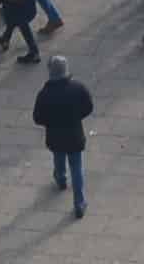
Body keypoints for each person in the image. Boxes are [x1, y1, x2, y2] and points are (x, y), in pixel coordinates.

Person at [32, 56, 96, 216]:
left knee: (58, 158)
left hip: (55, 137)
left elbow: (37, 118)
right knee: (77, 168)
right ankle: (79, 203)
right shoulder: (78, 88)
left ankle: (60, 179)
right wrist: (76, 116)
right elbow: (88, 107)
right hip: (75, 136)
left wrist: (50, 122)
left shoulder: (44, 94)